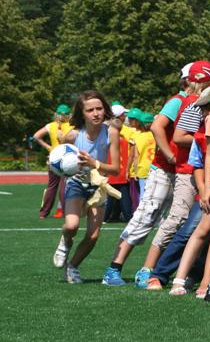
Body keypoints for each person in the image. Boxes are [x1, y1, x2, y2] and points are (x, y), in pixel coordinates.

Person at [101, 61, 210, 287]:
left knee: (177, 221)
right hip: (166, 168)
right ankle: (116, 268)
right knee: (148, 215)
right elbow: (158, 126)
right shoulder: (179, 101)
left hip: (182, 169)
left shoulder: (197, 101)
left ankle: (167, 269)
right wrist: (169, 154)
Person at [51, 90, 120, 284]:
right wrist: (56, 163)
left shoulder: (111, 132)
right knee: (71, 226)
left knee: (93, 235)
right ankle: (65, 241)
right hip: (76, 184)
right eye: (90, 110)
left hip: (99, 187)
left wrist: (94, 163)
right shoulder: (73, 135)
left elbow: (115, 169)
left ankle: (72, 267)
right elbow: (58, 157)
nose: (96, 113)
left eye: (99, 108)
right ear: (82, 113)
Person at [33, 104, 74, 219]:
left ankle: (43, 213)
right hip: (66, 159)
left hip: (53, 157)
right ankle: (67, 213)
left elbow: (36, 136)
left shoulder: (50, 126)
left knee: (51, 186)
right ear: (68, 115)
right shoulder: (72, 126)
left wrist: (49, 147)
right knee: (64, 186)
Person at [104, 103, 133, 222]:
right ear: (120, 116)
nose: (125, 116)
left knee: (111, 194)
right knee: (123, 193)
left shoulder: (104, 130)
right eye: (123, 115)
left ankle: (106, 217)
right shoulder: (126, 130)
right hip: (121, 166)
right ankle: (127, 216)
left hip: (110, 166)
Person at [126, 110, 156, 211]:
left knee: (143, 195)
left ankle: (142, 215)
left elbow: (134, 156)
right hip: (155, 168)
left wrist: (133, 171)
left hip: (142, 169)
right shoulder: (156, 135)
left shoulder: (137, 136)